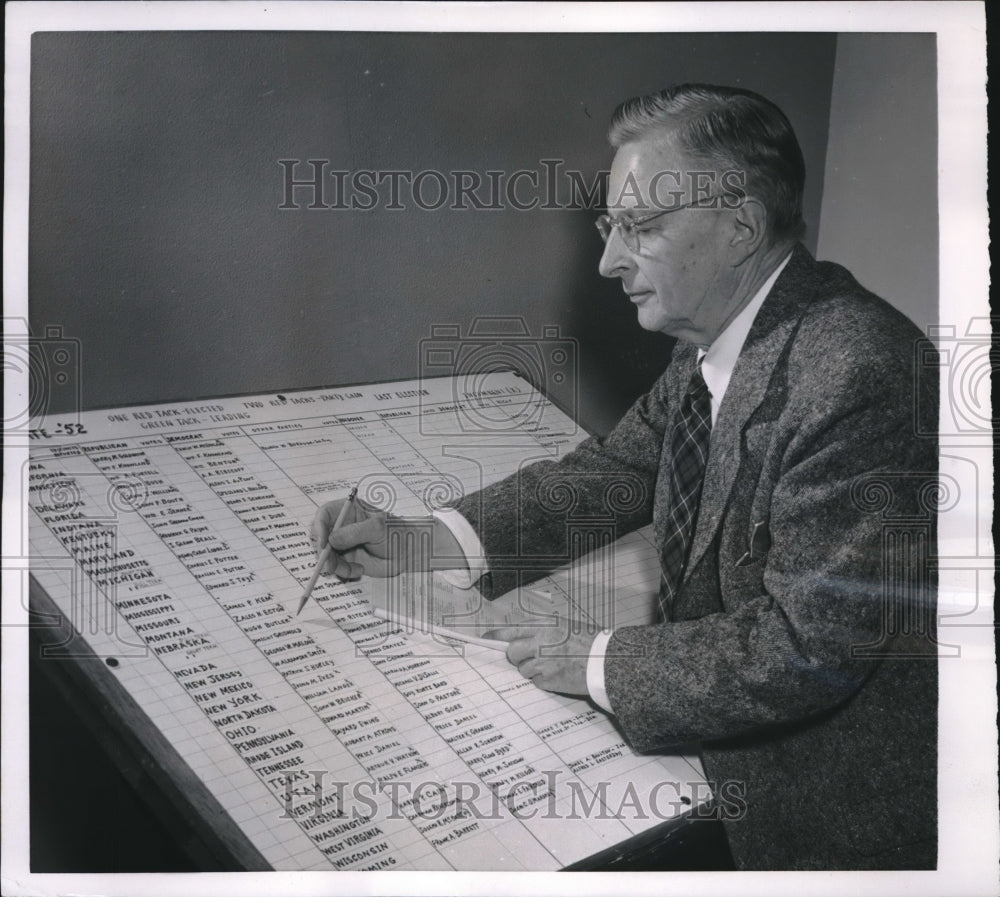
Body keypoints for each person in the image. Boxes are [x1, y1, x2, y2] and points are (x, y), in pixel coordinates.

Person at [312, 84, 938, 870]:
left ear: (739, 227)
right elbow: (615, 472)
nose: (609, 261)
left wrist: (597, 660)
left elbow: (808, 646)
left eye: (638, 228)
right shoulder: (732, 330)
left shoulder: (860, 369)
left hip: (831, 822)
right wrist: (422, 541)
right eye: (612, 226)